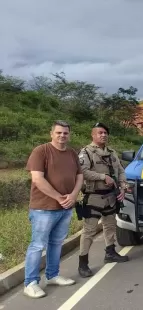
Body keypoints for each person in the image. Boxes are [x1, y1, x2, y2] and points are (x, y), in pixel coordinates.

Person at [23, 120, 83, 299]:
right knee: (37, 245)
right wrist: (59, 197)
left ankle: (53, 275)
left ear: (69, 135)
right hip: (44, 208)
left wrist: (73, 195)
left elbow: (79, 176)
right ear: (51, 134)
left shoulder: (72, 153)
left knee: (56, 243)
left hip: (65, 208)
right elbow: (37, 179)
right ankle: (30, 283)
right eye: (58, 133)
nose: (62, 136)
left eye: (65, 133)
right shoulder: (41, 151)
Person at [77, 123, 129, 278]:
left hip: (111, 196)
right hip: (94, 196)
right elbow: (82, 171)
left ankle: (111, 252)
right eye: (100, 133)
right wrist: (102, 177)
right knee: (89, 231)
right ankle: (83, 263)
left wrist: (123, 187)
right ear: (93, 135)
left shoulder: (112, 153)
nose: (103, 135)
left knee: (110, 225)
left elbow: (120, 171)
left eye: (105, 132)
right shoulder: (86, 152)